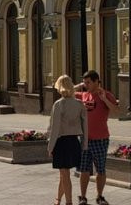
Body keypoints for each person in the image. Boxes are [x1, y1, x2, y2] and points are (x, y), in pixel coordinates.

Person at [75, 70, 118, 205]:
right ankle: (83, 197)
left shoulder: (106, 95)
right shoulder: (83, 95)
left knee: (100, 169)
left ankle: (100, 196)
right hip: (85, 139)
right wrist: (78, 85)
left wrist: (104, 99)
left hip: (100, 139)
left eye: (88, 82)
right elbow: (63, 91)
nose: (86, 85)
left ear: (96, 81)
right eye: (85, 82)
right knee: (84, 169)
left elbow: (116, 111)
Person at [48, 75, 88, 205]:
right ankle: (58, 200)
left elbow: (55, 128)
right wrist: (85, 144)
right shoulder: (79, 104)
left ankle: (69, 203)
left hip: (61, 143)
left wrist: (50, 147)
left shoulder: (59, 104)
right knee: (63, 175)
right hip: (74, 142)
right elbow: (85, 126)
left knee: (65, 175)